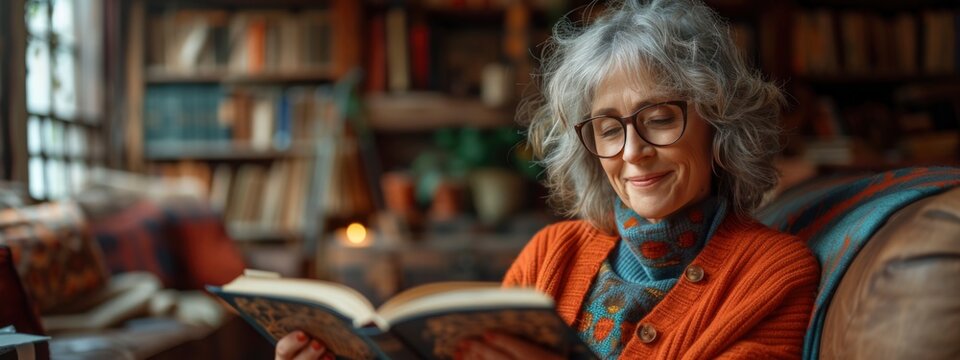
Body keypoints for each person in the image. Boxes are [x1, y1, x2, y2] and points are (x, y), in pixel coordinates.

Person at [276, 0, 819, 359]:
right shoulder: (550, 253)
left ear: (718, 124)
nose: (632, 152)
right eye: (608, 128)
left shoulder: (772, 275)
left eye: (659, 120)